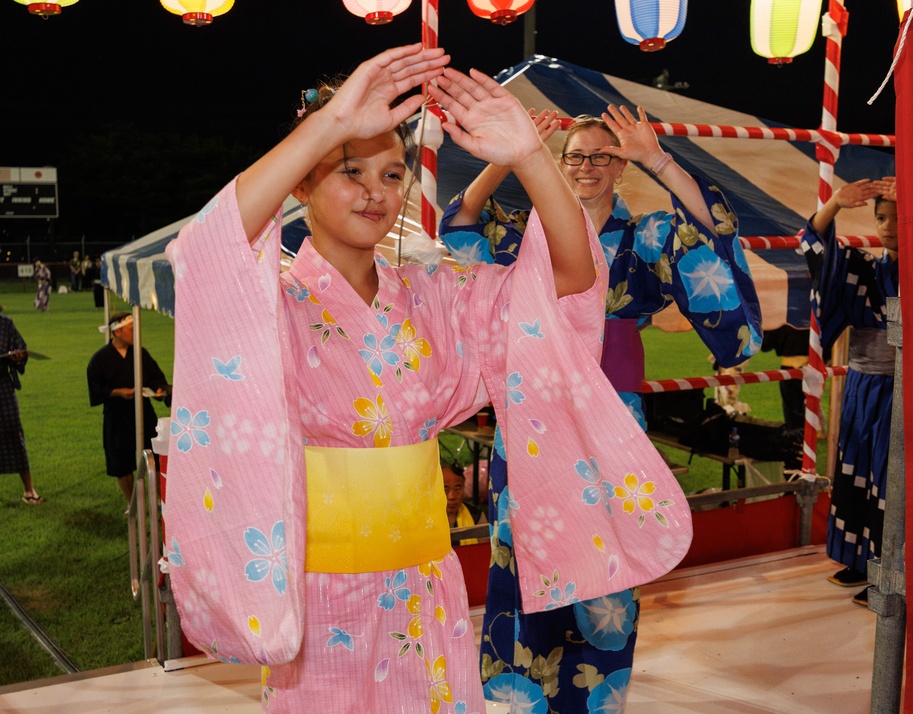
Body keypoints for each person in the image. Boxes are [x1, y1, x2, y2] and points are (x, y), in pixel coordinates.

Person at [163, 45, 693, 713]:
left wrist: (531, 158)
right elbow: (207, 253)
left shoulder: (438, 293)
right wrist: (324, 127)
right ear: (302, 184)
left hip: (423, 587)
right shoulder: (273, 304)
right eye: (349, 172)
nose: (376, 193)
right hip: (315, 590)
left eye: (392, 174)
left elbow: (568, 282)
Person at [440, 107, 762, 709]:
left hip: (610, 414)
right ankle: (518, 695)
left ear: (619, 168)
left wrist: (657, 157)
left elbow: (711, 227)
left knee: (605, 563)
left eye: (602, 156)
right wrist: (510, 156)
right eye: (575, 156)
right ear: (559, 165)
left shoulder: (643, 239)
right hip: (531, 415)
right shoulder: (524, 237)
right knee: (522, 552)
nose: (587, 167)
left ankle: (594, 698)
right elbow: (458, 227)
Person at [799, 177, 897, 606]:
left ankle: (889, 569)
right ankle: (859, 558)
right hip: (862, 386)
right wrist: (836, 202)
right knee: (855, 470)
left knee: (890, 476)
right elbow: (815, 247)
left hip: (906, 389)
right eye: (881, 218)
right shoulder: (866, 269)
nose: (888, 227)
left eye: (897, 218)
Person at [86, 312, 170, 504]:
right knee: (121, 463)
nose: (135, 333)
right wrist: (118, 392)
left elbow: (156, 377)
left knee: (154, 458)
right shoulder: (100, 359)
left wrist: (158, 389)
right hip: (117, 417)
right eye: (132, 330)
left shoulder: (140, 353)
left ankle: (158, 500)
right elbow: (97, 388)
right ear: (118, 332)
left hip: (144, 413)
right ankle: (132, 502)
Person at [1, 312, 42, 504]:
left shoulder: (5, 323)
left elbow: (20, 348)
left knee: (14, 433)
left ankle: (28, 490)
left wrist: (17, 357)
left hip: (2, 387)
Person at [443, 462, 485, 546]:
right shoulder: (422, 519)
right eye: (445, 489)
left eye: (457, 489)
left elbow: (484, 551)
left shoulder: (476, 517)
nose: (452, 496)